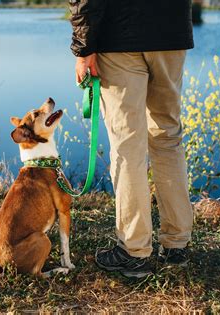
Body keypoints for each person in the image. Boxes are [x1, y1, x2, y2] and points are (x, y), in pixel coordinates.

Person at [69, 0, 195, 278]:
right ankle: (176, 245)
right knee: (168, 136)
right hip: (170, 34)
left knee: (128, 145)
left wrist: (83, 48)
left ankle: (134, 252)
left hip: (119, 36)